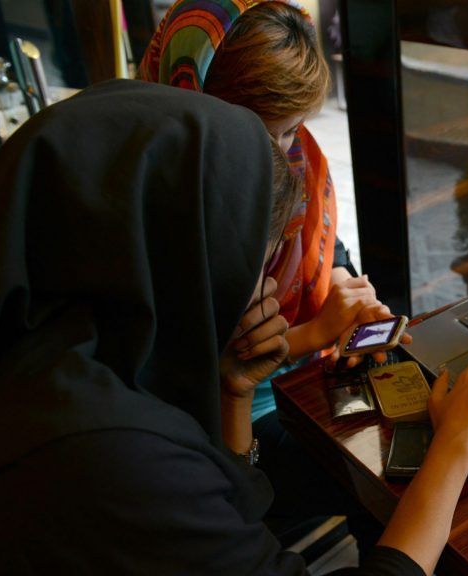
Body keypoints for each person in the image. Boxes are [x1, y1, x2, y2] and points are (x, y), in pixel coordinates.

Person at [0, 79, 468, 575]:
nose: (266, 288)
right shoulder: (113, 461)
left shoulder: (49, 352)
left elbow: (231, 504)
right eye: (250, 263)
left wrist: (232, 393)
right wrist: (455, 446)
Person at [139, 0, 388, 549]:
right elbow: (181, 375)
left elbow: (328, 247)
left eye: (293, 130)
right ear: (195, 104)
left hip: (293, 387)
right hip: (217, 430)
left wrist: (343, 282)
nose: (283, 154)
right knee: (386, 488)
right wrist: (316, 333)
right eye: (262, 136)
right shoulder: (153, 204)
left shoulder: (296, 157)